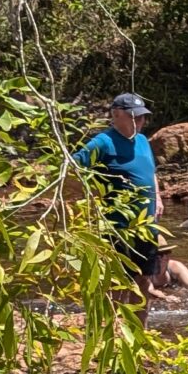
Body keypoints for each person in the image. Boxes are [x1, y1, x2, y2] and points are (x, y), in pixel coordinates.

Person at [72, 93, 162, 296]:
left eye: (142, 117)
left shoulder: (142, 140)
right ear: (116, 114)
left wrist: (159, 199)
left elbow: (150, 172)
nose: (140, 121)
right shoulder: (103, 142)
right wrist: (89, 198)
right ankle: (116, 326)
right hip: (118, 229)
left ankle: (140, 328)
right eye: (134, 117)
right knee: (118, 284)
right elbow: (71, 170)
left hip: (146, 227)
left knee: (145, 282)